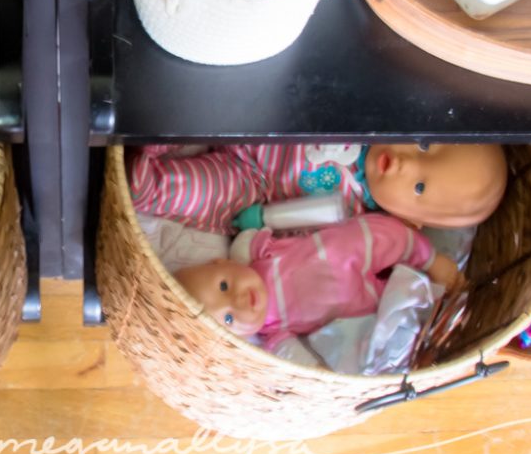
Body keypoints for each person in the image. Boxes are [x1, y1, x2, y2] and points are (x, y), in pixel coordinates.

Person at [173, 213, 465, 349]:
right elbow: (298, 365)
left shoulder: (256, 252)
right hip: (362, 304)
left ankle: (428, 258)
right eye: (227, 319)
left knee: (379, 234)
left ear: (222, 262)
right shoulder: (272, 333)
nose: (237, 301)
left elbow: (259, 229)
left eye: (224, 286)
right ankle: (434, 302)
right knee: (396, 319)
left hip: (344, 251)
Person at [129, 143, 507, 234]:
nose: (408, 162)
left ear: (410, 220)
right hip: (258, 120)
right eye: (425, 145)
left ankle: (146, 179)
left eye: (419, 186)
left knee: (195, 193)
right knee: (204, 103)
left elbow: (306, 241)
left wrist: (260, 224)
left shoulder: (357, 221)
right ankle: (158, 133)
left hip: (252, 187)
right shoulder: (369, 124)